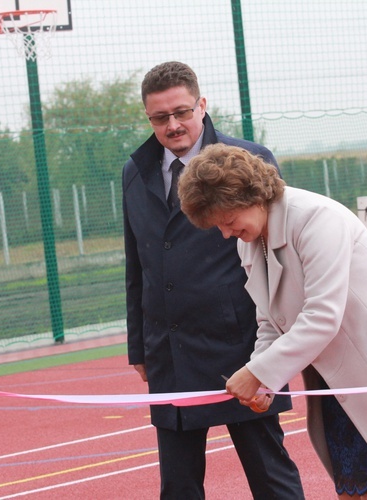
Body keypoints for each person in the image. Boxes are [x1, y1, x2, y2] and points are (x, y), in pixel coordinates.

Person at [177, 143, 367, 500]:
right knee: (353, 491)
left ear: (249, 196)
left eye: (228, 220)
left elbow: (323, 316)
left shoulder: (315, 217)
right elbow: (269, 319)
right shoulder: (248, 242)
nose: (224, 233)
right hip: (337, 381)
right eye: (217, 225)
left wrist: (259, 374)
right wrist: (264, 378)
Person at [122, 62, 305, 499]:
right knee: (179, 484)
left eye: (181, 112)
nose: (173, 125)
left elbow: (276, 253)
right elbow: (137, 264)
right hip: (169, 349)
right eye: (159, 117)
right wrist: (139, 345)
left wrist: (278, 343)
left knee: (269, 473)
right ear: (148, 117)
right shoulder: (134, 171)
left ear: (202, 105)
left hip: (242, 342)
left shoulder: (251, 160)